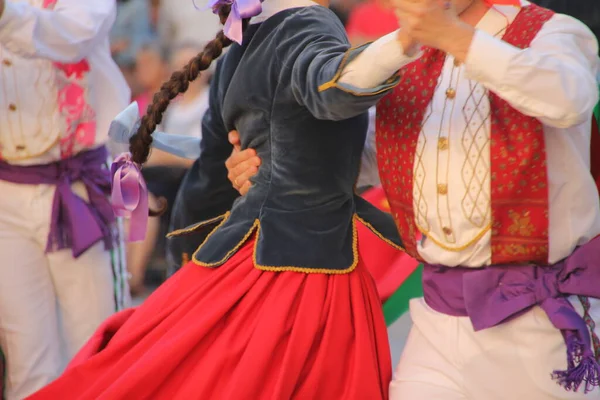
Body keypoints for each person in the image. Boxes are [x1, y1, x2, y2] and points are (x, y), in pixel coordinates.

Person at [26, 0, 423, 397]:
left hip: (247, 252)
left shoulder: (242, 43)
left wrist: (189, 266)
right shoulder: (307, 23)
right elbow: (331, 88)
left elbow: (209, 184)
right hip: (300, 270)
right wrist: (408, 38)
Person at [226, 0, 600, 398]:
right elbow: (358, 157)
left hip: (543, 325)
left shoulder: (554, 32)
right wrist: (272, 169)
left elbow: (569, 99)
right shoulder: (400, 54)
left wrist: (455, 38)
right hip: (438, 326)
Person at [0, 0, 130, 398]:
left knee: (96, 349)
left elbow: (75, 35)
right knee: (27, 363)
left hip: (78, 186)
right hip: (6, 196)